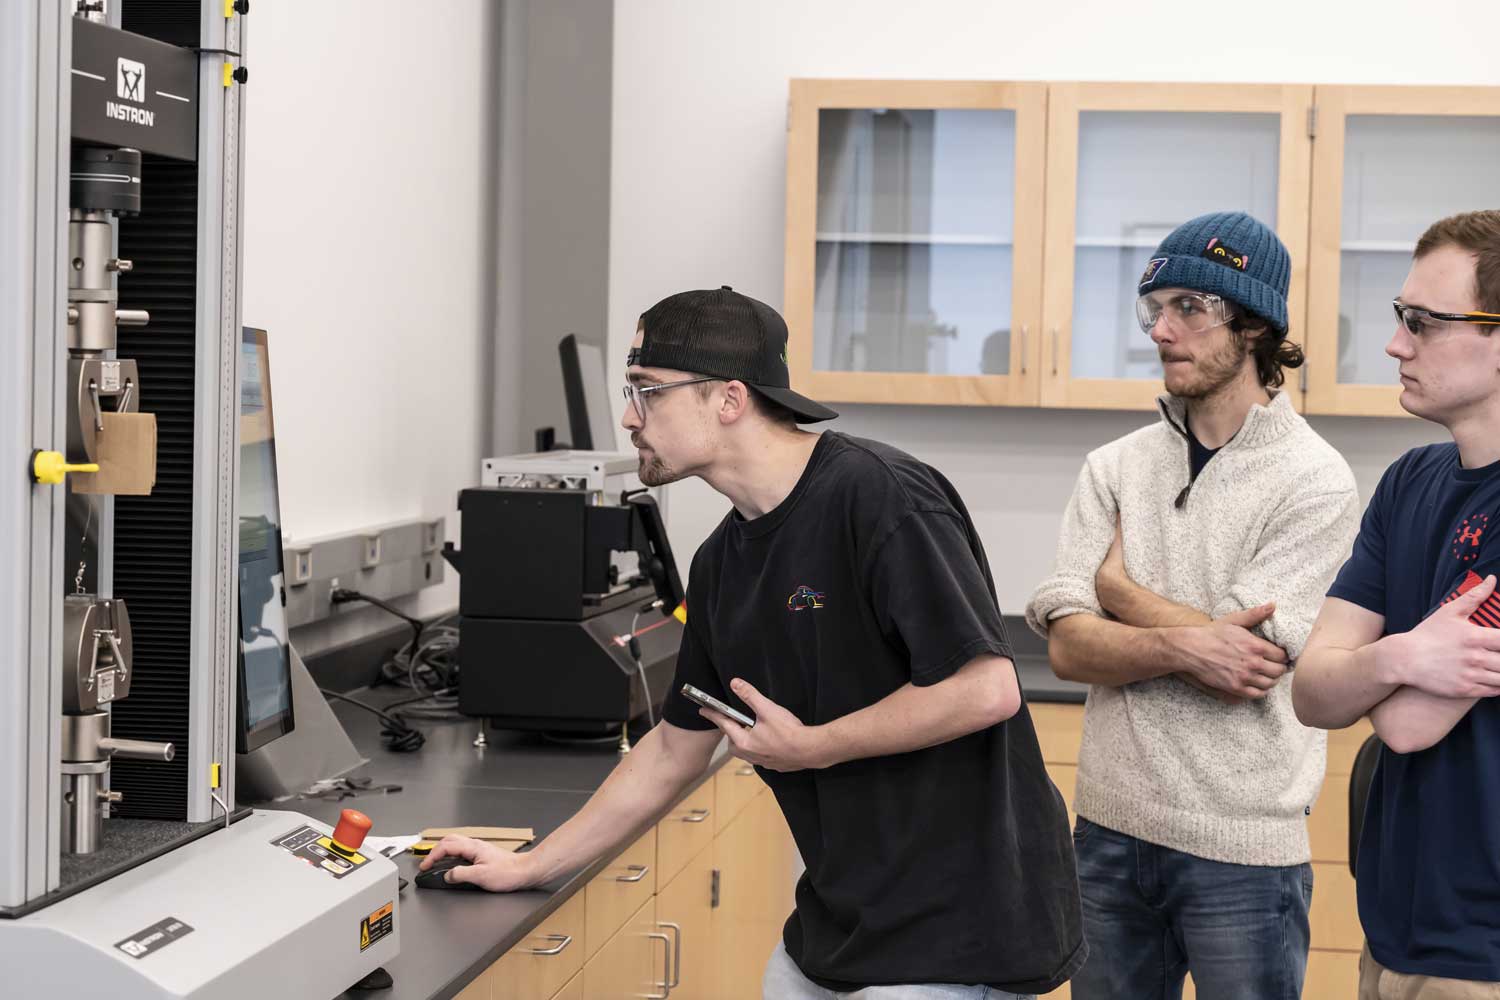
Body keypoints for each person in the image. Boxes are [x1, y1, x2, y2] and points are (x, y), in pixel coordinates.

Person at [422, 285, 1085, 998]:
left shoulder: (881, 497)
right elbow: (675, 748)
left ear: (729, 399)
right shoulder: (721, 563)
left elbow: (984, 689)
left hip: (958, 933)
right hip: (839, 925)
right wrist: (530, 866)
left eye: (646, 392)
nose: (628, 417)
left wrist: (814, 746)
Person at [1026, 211, 1359, 999]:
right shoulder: (1114, 468)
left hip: (1245, 851)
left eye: (1189, 308)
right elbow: (1069, 649)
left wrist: (1119, 595)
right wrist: (1186, 641)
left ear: (1253, 325)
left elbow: (1246, 666)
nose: (1162, 331)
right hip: (1107, 833)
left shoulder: (1317, 481)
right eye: (1155, 309)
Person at [1294, 210, 1500, 998]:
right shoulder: (1409, 481)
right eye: (1398, 318)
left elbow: (1407, 725)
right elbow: (1313, 692)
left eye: (1423, 322)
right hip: (1394, 930)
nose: (1395, 343)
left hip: (1481, 952)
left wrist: (1366, 670)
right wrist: (1401, 656)